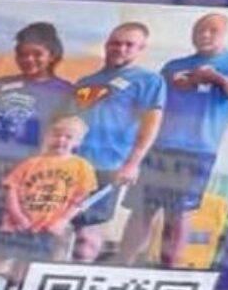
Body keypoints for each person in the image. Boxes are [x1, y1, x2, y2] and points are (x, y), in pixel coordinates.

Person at [120, 11, 228, 267]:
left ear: (225, 34)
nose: (205, 35)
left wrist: (217, 79)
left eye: (212, 30)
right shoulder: (174, 66)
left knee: (178, 216)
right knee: (141, 210)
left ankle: (168, 273)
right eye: (199, 30)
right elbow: (151, 106)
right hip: (158, 147)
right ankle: (122, 265)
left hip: (197, 151)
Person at [0, 21, 75, 261]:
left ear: (52, 55)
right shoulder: (1, 84)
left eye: (37, 54)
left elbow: (63, 135)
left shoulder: (66, 92)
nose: (28, 59)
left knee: (0, 239)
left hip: (21, 171)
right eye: (22, 54)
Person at [68, 19, 166, 262]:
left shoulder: (148, 81)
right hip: (73, 164)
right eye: (115, 43)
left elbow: (151, 124)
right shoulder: (86, 82)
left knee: (88, 233)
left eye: (129, 45)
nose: (120, 49)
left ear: (140, 49)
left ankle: (81, 285)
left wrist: (132, 163)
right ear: (106, 45)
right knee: (65, 226)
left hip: (108, 165)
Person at [0, 112, 97, 280]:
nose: (61, 140)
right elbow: (11, 190)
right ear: (48, 136)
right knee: (0, 260)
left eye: (68, 137)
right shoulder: (31, 163)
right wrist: (18, 216)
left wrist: (63, 220)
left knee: (31, 264)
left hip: (47, 226)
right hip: (16, 225)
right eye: (57, 135)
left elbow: (80, 200)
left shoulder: (82, 167)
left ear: (78, 142)